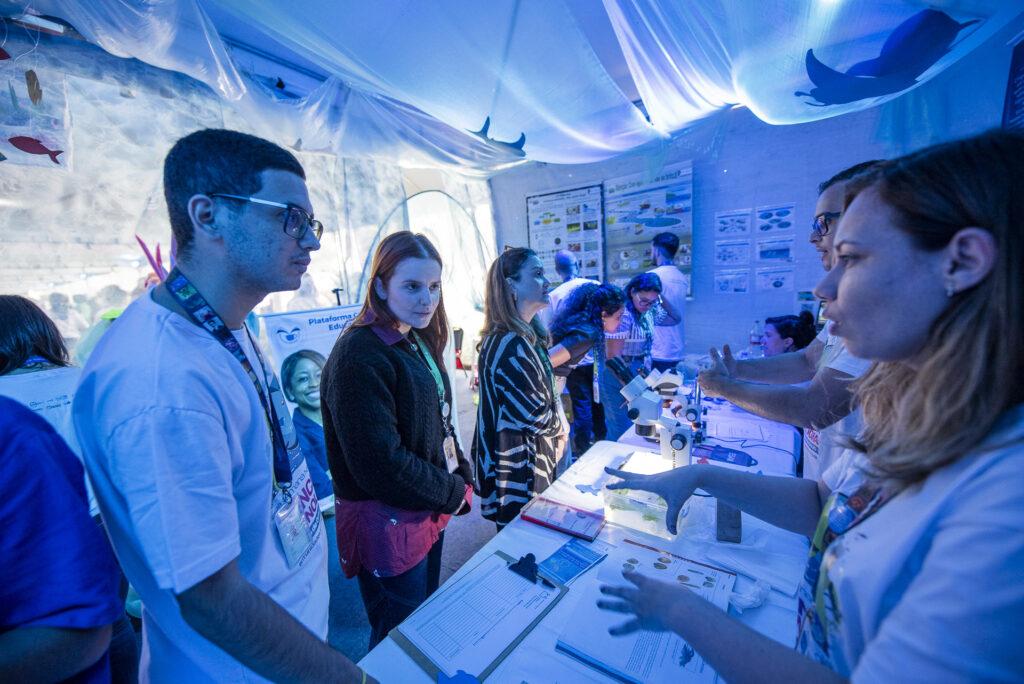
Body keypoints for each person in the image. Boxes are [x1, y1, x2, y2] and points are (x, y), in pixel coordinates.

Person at [598, 130, 1024, 682]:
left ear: (962, 261)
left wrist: (680, 609)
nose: (822, 288)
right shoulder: (916, 414)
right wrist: (701, 475)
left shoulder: (1003, 505)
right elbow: (830, 502)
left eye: (851, 258)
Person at [74, 129, 369, 683]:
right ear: (207, 216)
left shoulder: (226, 327)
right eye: (290, 218)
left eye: (311, 222)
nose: (310, 241)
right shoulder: (162, 383)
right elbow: (211, 598)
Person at [321, 231, 473, 650]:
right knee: (396, 638)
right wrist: (452, 489)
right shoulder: (359, 354)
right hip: (390, 520)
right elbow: (380, 465)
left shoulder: (414, 334)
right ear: (380, 286)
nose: (428, 299)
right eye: (412, 286)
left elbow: (439, 415)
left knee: (421, 619)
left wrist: (459, 469)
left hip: (425, 506)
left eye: (434, 286)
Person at [697, 160, 881, 479]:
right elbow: (810, 361)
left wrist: (726, 388)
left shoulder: (876, 315)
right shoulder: (851, 309)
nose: (813, 237)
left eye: (823, 223)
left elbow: (815, 407)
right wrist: (738, 371)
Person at [0, 396, 124, 684]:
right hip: (94, 511)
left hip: (75, 521)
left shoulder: (12, 432)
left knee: (110, 620)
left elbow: (79, 627)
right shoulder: (71, 379)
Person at [474, 247, 565, 528]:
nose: (547, 281)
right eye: (537, 274)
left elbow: (548, 393)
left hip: (529, 461)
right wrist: (563, 427)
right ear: (510, 283)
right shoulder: (509, 343)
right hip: (517, 471)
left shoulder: (528, 336)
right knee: (522, 546)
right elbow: (534, 415)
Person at [601, 271, 682, 440]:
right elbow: (613, 356)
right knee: (620, 427)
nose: (647, 305)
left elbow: (676, 317)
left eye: (652, 301)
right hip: (619, 372)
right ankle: (609, 460)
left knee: (635, 423)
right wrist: (634, 389)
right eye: (644, 300)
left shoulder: (649, 312)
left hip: (639, 371)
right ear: (632, 292)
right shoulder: (623, 315)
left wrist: (659, 298)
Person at [548, 282, 627, 454]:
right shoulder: (586, 334)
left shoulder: (588, 329)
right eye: (619, 316)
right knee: (560, 439)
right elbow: (545, 361)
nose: (621, 322)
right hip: (547, 386)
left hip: (553, 384)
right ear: (604, 314)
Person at [281, 349, 334, 506]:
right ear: (290, 391)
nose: (314, 383)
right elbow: (324, 493)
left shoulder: (346, 416)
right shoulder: (294, 438)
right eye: (303, 379)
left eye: (319, 375)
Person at [647, 232, 687, 372]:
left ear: (656, 249)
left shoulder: (653, 277)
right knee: (670, 391)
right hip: (677, 349)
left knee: (654, 392)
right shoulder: (681, 277)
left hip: (658, 350)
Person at [538, 249, 590, 325]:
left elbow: (545, 327)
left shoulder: (553, 297)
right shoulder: (597, 285)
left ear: (557, 270)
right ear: (576, 265)